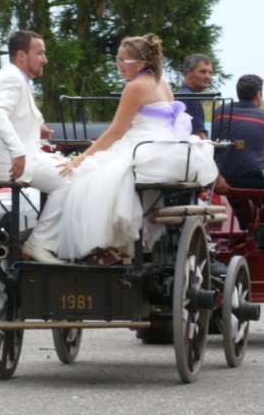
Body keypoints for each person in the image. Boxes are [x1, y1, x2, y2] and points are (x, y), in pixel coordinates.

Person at [56, 34, 218, 261]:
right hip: (170, 147)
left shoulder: (134, 87)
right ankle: (122, 247)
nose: (118, 65)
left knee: (90, 178)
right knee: (111, 177)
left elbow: (114, 132)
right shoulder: (162, 83)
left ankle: (111, 245)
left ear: (140, 63)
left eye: (123, 61)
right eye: (117, 59)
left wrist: (79, 159)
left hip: (147, 145)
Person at [0, 30, 71, 264]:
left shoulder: (14, 76)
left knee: (70, 170)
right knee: (71, 180)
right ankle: (40, 243)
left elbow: (17, 112)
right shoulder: (13, 78)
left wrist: (38, 125)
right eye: (40, 53)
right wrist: (18, 151)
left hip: (6, 157)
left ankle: (40, 241)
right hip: (5, 161)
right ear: (22, 56)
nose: (45, 59)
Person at [213, 74, 264, 250]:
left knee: (234, 189)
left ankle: (246, 225)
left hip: (221, 178)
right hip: (255, 180)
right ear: (259, 95)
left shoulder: (219, 112)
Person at [176, 54, 213, 140]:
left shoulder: (179, 95)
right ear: (188, 73)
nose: (208, 76)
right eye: (203, 72)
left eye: (210, 72)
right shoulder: (190, 99)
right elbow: (199, 136)